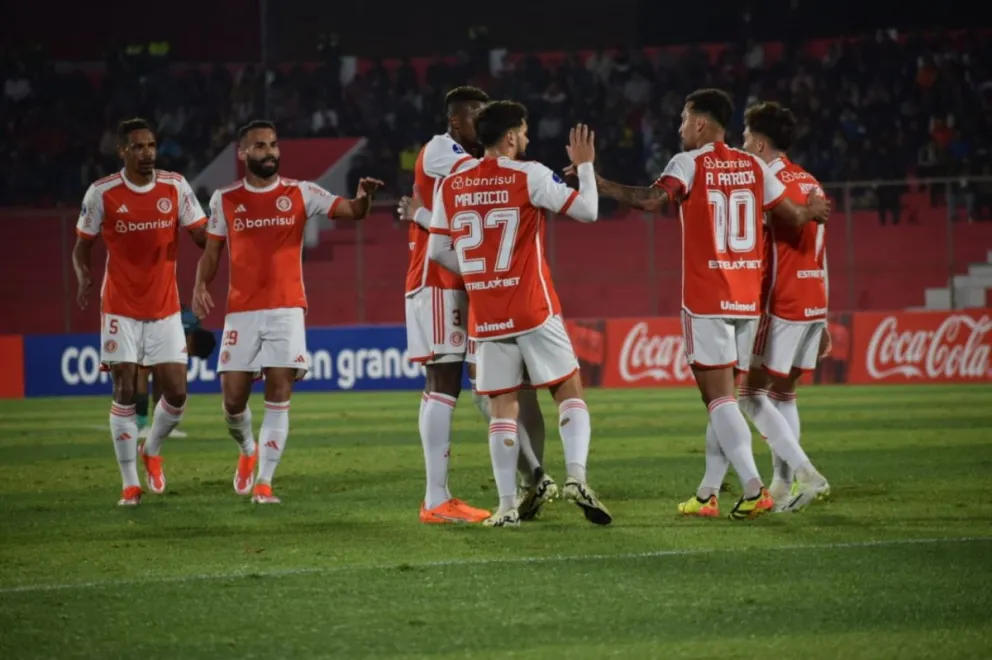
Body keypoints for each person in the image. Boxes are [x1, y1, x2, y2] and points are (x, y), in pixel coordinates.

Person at [591, 89, 830, 520]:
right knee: (729, 398)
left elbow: (650, 200)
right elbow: (794, 216)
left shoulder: (689, 163)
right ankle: (708, 494)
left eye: (684, 119)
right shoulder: (754, 164)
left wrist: (601, 183)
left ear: (700, 123)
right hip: (745, 301)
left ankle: (756, 488)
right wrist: (812, 209)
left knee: (719, 400)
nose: (680, 128)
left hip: (705, 299)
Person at [428, 101, 611, 528]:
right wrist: (585, 167)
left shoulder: (451, 184)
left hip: (487, 313)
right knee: (569, 391)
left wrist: (478, 273)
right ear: (510, 137)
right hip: (533, 307)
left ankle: (507, 505)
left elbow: (438, 250)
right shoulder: (528, 174)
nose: (526, 141)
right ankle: (577, 478)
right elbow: (588, 210)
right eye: (524, 133)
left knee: (502, 410)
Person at [191, 119, 383, 504]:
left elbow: (352, 211)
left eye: (274, 145)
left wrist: (363, 197)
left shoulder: (301, 192)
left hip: (286, 309)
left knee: (280, 391)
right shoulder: (224, 200)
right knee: (232, 400)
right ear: (243, 153)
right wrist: (199, 285)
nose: (269, 152)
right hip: (241, 312)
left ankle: (264, 482)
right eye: (260, 146)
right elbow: (212, 251)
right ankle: (248, 448)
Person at [397, 88, 553, 524]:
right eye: (477, 115)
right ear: (456, 121)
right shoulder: (441, 151)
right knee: (443, 379)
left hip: (467, 283)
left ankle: (533, 476)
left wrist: (420, 214)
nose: (485, 123)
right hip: (436, 281)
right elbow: (493, 179)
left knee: (485, 387)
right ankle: (435, 499)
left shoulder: (463, 158)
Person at [72, 118, 207, 506]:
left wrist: (217, 235)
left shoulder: (175, 186)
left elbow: (200, 233)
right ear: (122, 151)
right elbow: (82, 245)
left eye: (151, 145)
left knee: (178, 393)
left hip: (165, 306)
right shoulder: (103, 193)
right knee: (125, 388)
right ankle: (130, 484)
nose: (147, 152)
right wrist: (83, 276)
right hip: (119, 307)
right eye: (138, 147)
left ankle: (152, 448)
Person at [740, 101, 832, 510]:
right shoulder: (812, 181)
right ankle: (781, 483)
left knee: (748, 393)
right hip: (813, 299)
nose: (742, 145)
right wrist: (825, 314)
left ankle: (808, 474)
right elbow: (821, 249)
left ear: (759, 143)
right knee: (786, 395)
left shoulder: (766, 180)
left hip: (782, 300)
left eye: (744, 138)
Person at [136, 306, 218, 439]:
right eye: (192, 353)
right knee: (143, 372)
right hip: (146, 330)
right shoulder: (177, 328)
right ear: (191, 340)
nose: (188, 355)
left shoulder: (190, 328)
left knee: (161, 376)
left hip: (159, 330)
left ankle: (162, 425)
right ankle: (141, 425)